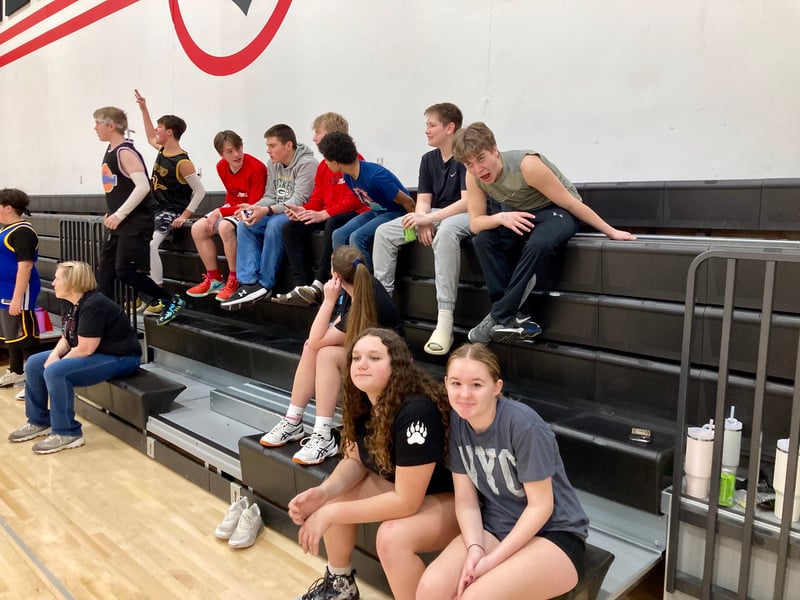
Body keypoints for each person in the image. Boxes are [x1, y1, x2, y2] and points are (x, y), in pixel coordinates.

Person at [289, 328, 458, 600]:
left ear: (398, 365)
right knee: (334, 496)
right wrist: (324, 494)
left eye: (374, 358)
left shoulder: (416, 411)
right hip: (411, 490)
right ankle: (340, 585)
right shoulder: (363, 400)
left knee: (391, 538)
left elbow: (407, 501)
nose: (362, 364)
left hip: (457, 500)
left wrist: (330, 514)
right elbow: (355, 460)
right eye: (356, 358)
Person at [416, 343, 589, 599]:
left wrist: (492, 560)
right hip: (497, 524)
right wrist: (475, 548)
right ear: (445, 384)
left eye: (476, 384)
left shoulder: (523, 425)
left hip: (554, 532)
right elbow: (466, 500)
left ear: (497, 387)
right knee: (431, 589)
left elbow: (541, 507)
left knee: (476, 597)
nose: (464, 394)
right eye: (455, 383)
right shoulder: (458, 420)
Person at [451, 122, 636, 344]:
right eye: (469, 164)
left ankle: (498, 316)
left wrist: (611, 231)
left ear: (494, 150)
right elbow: (476, 223)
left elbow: (570, 203)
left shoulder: (527, 165)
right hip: (521, 215)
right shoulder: (473, 177)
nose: (477, 169)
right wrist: (501, 217)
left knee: (539, 244)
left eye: (481, 158)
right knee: (483, 240)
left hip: (558, 212)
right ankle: (519, 318)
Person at [260, 245, 403, 466]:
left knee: (324, 353)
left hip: (394, 371)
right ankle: (293, 420)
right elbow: (317, 338)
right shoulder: (358, 287)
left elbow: (319, 338)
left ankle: (323, 434)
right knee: (312, 349)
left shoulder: (366, 297)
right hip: (372, 360)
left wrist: (327, 300)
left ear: (335, 275)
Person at [7, 261, 142, 454]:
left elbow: (86, 349)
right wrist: (54, 354)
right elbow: (67, 336)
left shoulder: (94, 305)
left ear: (72, 282)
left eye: (57, 278)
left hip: (121, 357)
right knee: (35, 364)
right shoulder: (73, 303)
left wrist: (57, 363)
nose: (53, 283)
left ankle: (68, 433)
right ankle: (39, 421)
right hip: (95, 351)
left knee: (56, 371)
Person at [373, 103, 470, 356]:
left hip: (464, 214)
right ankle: (383, 309)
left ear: (450, 128)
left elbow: (467, 202)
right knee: (384, 232)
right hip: (436, 214)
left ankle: (445, 321)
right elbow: (424, 200)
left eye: (431, 125)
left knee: (447, 230)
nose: (426, 131)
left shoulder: (465, 155)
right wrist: (422, 217)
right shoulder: (428, 159)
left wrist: (428, 219)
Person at [92, 106, 185, 326]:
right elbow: (118, 188)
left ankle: (170, 300)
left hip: (134, 224)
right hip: (121, 223)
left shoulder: (125, 151)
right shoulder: (111, 150)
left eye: (97, 123)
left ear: (110, 125)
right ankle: (99, 319)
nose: (95, 128)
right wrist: (113, 212)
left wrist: (120, 214)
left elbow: (143, 186)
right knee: (106, 271)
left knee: (124, 271)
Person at [271, 112, 368, 307]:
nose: (314, 138)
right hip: (330, 213)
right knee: (291, 227)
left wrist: (324, 213)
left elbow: (354, 201)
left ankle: (318, 284)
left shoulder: (354, 159)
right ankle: (302, 286)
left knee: (333, 222)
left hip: (353, 213)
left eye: (318, 133)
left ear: (332, 135)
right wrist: (301, 210)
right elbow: (317, 198)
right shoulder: (324, 166)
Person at [220, 123, 317, 309]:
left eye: (272, 145)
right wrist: (253, 209)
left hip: (298, 213)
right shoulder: (273, 163)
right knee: (244, 222)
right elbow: (270, 196)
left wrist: (266, 210)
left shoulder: (308, 164)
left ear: (288, 145)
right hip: (276, 210)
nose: (268, 151)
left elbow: (299, 199)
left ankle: (265, 284)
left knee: (274, 224)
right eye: (267, 146)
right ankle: (248, 283)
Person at [133, 89, 206, 315]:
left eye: (160, 128)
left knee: (152, 245)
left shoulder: (183, 162)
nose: (156, 130)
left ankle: (159, 296)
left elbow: (200, 191)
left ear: (170, 132)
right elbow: (147, 136)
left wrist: (185, 215)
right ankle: (145, 294)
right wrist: (144, 108)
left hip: (171, 210)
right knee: (135, 244)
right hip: (155, 208)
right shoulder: (162, 148)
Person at [187, 130, 267, 302]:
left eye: (238, 148)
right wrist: (222, 210)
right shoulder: (221, 166)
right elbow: (232, 196)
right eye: (230, 151)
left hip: (253, 209)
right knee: (197, 228)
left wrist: (220, 212)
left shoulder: (257, 168)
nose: (237, 154)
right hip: (234, 206)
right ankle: (215, 279)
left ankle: (234, 278)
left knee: (225, 226)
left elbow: (252, 205)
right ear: (221, 154)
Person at [321, 132, 416, 271]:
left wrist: (412, 230)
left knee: (356, 237)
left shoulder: (375, 177)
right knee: (338, 234)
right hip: (377, 212)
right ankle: (344, 286)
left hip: (396, 212)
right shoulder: (348, 176)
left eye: (326, 160)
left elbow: (408, 202)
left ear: (335, 162)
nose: (325, 163)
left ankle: (366, 286)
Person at [0, 188, 40, 399]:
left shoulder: (23, 232)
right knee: (11, 335)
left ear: (8, 207)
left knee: (26, 337)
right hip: (4, 290)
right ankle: (16, 371)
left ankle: (35, 381)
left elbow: (25, 267)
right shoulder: (7, 229)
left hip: (19, 292)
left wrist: (17, 298)